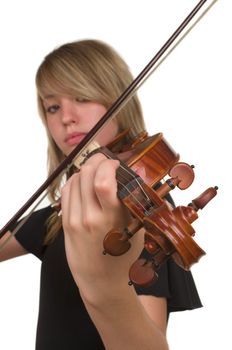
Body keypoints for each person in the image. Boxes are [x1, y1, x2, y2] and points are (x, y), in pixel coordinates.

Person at [0, 39, 202, 350]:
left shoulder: (136, 209)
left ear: (119, 100)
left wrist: (106, 290)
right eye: (52, 106)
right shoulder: (62, 214)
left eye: (82, 97)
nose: (66, 116)